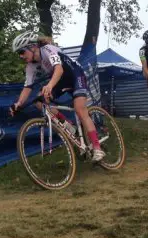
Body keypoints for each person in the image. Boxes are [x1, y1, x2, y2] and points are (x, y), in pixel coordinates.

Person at [9, 31, 106, 163]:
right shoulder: (31, 66)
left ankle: (97, 147)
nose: (20, 56)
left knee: (79, 108)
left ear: (32, 47)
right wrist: (18, 104)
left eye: (21, 52)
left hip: (75, 75)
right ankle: (69, 125)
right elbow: (27, 87)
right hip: (61, 81)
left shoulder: (48, 49)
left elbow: (59, 69)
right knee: (39, 101)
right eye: (18, 54)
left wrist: (49, 86)